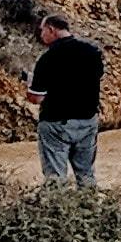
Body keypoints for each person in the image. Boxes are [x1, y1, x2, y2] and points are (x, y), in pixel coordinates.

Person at [29, 12, 103, 190]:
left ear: (51, 29)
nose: (41, 35)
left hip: (57, 122)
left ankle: (59, 213)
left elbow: (36, 97)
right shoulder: (92, 52)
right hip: (87, 120)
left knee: (56, 178)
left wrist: (30, 84)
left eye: (42, 31)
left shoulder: (47, 59)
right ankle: (91, 212)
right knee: (86, 175)